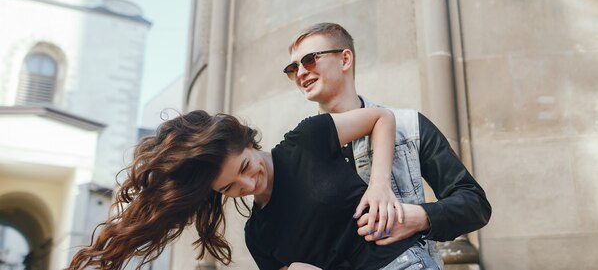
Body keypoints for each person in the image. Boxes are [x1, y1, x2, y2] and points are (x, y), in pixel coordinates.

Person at [66, 108, 440, 270]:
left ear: (248, 141)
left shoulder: (304, 141)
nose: (247, 185)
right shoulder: (258, 233)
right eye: (229, 188)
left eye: (245, 167)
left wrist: (378, 187)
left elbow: (381, 118)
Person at [283, 23, 492, 265]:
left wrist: (418, 217)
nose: (300, 73)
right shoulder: (299, 154)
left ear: (345, 59)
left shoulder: (409, 126)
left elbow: (474, 203)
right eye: (292, 68)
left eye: (309, 59)